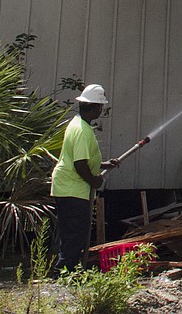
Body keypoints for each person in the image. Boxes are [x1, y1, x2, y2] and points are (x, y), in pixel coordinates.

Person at [51, 83, 119, 272]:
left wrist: (103, 165)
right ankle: (64, 273)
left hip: (69, 187)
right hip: (72, 188)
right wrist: (94, 180)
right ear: (97, 107)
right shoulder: (81, 130)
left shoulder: (79, 124)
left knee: (72, 232)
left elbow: (82, 159)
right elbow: (80, 164)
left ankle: (68, 271)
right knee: (75, 233)